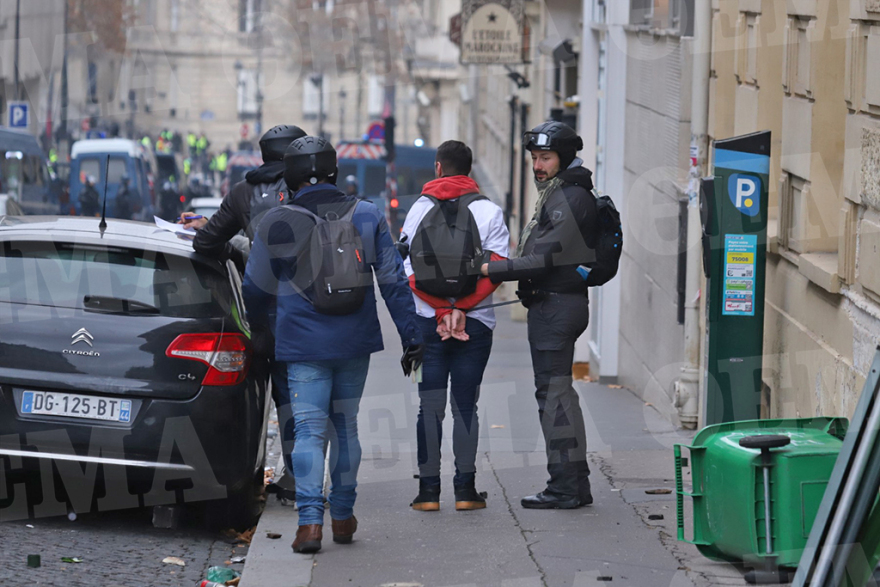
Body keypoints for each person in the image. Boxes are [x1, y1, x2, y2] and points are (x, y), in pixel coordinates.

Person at [242, 136, 423, 554]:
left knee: (307, 431)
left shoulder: (278, 220)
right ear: (335, 172)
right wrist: (412, 338)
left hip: (303, 344)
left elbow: (254, 288)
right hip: (353, 341)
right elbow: (394, 282)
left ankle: (309, 525)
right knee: (345, 428)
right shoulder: (367, 214)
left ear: (290, 178)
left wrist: (262, 331)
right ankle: (342, 516)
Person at [180, 124, 308, 500]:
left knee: (252, 396)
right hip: (301, 312)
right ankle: (297, 476)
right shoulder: (307, 191)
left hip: (259, 312)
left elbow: (206, 243)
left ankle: (244, 472)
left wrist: (232, 249)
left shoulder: (244, 192)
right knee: (293, 397)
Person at [481, 121, 599, 510]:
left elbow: (541, 259)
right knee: (559, 395)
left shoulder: (569, 197)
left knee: (553, 398)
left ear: (563, 158)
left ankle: (564, 487)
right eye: (534, 158)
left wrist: (488, 269)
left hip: (556, 306)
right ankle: (574, 484)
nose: (537, 165)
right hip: (557, 304)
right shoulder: (561, 193)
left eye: (545, 158)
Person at [399, 140, 509, 512]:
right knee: (466, 407)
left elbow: (407, 270)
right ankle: (465, 491)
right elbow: (497, 269)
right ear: (470, 171)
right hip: (475, 324)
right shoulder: (489, 211)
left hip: (425, 323)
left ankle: (428, 492)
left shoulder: (417, 210)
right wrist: (460, 307)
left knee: (428, 407)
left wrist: (439, 310)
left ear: (437, 168)